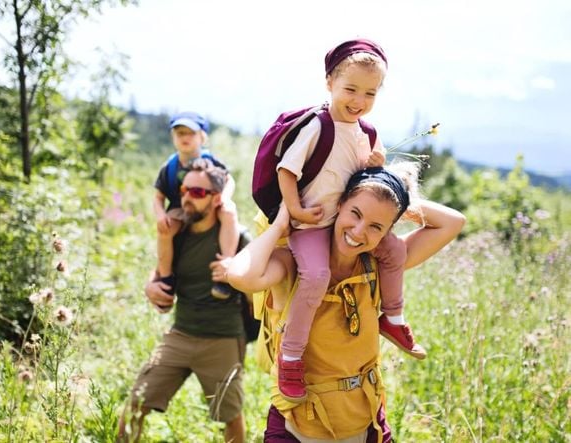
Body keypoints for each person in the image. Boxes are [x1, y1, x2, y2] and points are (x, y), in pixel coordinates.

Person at [228, 163, 466, 442]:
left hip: (366, 424)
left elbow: (454, 222)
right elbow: (240, 276)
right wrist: (281, 224)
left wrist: (393, 193)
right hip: (297, 426)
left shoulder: (379, 265)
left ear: (387, 232)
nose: (359, 231)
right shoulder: (293, 264)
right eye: (355, 213)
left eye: (376, 226)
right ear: (338, 204)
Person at [271, 38, 423, 402]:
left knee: (394, 252)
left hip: (345, 221)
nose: (359, 101)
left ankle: (393, 317)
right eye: (350, 89)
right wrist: (295, 211)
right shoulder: (317, 126)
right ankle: (290, 356)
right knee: (316, 276)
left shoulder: (366, 132)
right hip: (311, 223)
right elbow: (286, 170)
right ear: (329, 83)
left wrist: (376, 162)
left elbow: (373, 175)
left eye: (369, 93)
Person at [118, 159, 249, 443]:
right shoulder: (177, 233)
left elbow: (258, 285)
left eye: (198, 192)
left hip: (222, 338)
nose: (188, 197)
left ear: (216, 199)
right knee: (135, 405)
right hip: (180, 334)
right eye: (184, 190)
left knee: (231, 415)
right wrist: (149, 287)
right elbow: (160, 273)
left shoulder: (237, 238)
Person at [153, 111, 239, 303]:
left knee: (229, 211)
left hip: (210, 204)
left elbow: (229, 180)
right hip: (179, 207)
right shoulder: (170, 166)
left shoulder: (212, 161)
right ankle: (166, 279)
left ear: (202, 137)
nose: (185, 138)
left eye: (190, 133)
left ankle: (225, 268)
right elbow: (158, 197)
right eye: (179, 133)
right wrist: (160, 215)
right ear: (173, 137)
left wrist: (224, 197)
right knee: (165, 230)